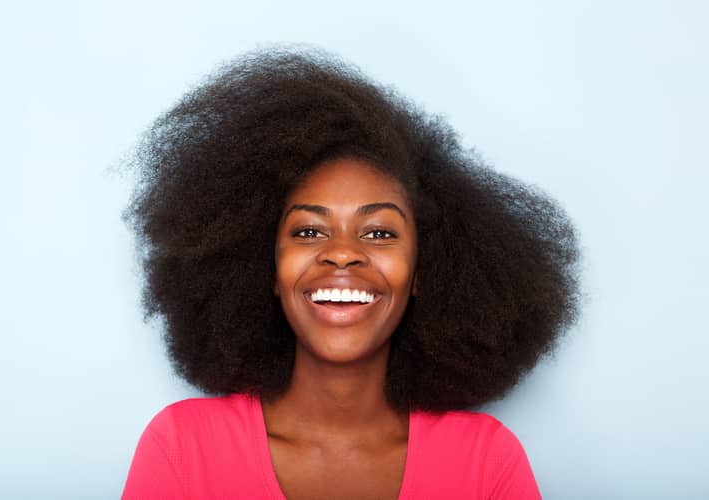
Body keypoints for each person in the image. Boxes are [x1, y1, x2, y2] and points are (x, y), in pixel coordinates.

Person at [121, 48, 580, 499]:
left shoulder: (485, 460)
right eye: (308, 231)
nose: (342, 254)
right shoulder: (183, 448)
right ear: (266, 270)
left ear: (426, 270)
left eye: (379, 234)